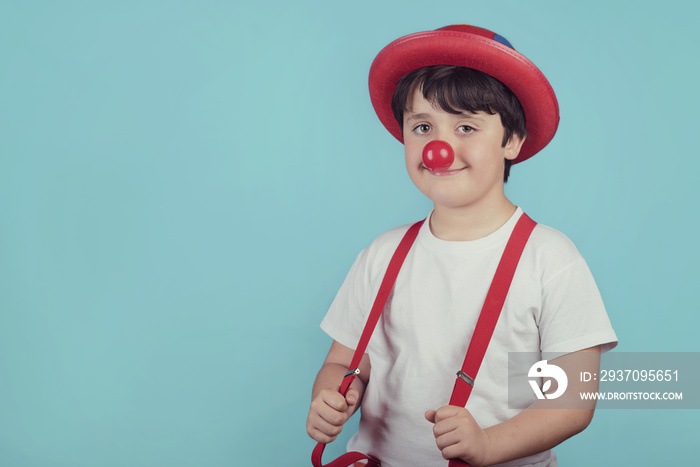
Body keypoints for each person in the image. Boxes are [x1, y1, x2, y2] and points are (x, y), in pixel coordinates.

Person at [306, 25, 617, 467]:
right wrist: (333, 396)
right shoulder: (382, 253)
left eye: (466, 126)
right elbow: (342, 363)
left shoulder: (550, 259)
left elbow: (573, 401)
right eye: (423, 126)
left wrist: (489, 445)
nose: (439, 147)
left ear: (511, 140)